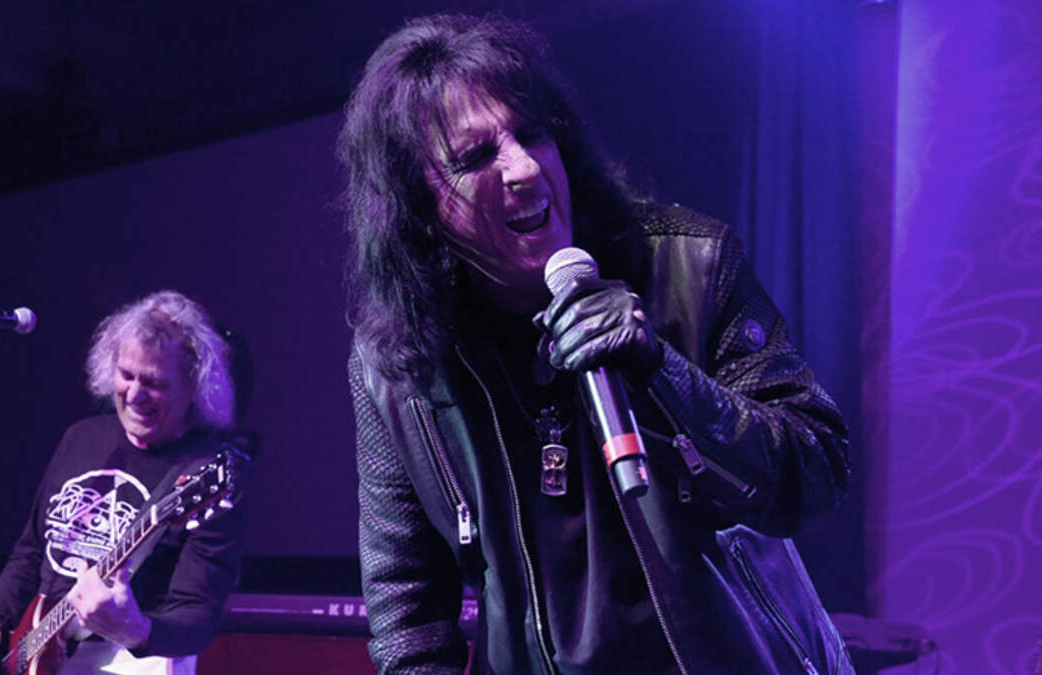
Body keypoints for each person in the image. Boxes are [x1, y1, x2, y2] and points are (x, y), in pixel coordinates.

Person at [341, 14, 853, 674]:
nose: (525, 167)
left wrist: (659, 370)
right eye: (476, 157)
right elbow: (407, 608)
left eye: (532, 133)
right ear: (416, 207)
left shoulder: (689, 268)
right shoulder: (399, 364)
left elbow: (816, 472)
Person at [0, 290, 246, 674]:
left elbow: (199, 615)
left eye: (154, 382)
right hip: (41, 649)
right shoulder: (81, 437)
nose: (134, 394)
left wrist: (136, 629)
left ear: (194, 386)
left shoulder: (206, 473)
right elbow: (33, 550)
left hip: (134, 658)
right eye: (126, 375)